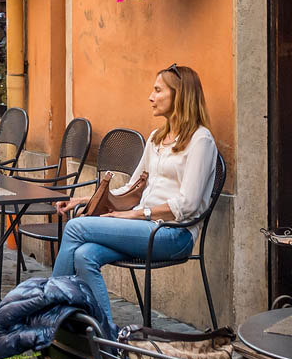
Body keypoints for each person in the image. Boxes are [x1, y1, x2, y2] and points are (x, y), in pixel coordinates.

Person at [51, 64, 218, 328]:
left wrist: (135, 214)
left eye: (158, 90)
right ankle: (106, 339)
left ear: (180, 95)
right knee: (84, 255)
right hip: (142, 227)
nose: (151, 97)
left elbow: (188, 204)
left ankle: (47, 314)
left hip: (173, 235)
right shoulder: (156, 138)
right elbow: (130, 189)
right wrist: (85, 199)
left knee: (75, 226)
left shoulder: (201, 141)